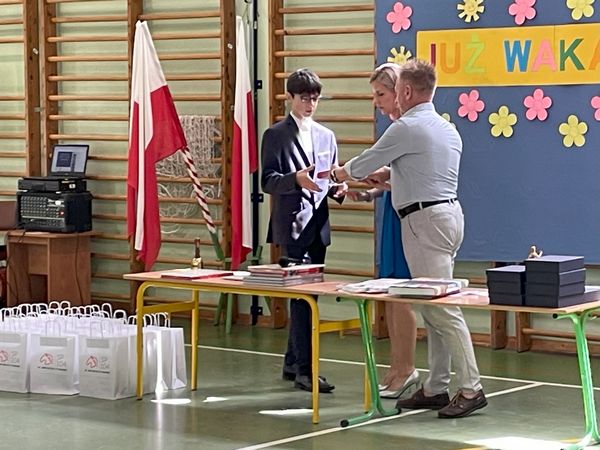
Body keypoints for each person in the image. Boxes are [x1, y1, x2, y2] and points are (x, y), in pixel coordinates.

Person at [324, 59, 487, 418]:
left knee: (442, 310)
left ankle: (471, 387)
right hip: (447, 216)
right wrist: (390, 175)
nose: (394, 99)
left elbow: (364, 162)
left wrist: (336, 173)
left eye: (395, 92)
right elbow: (421, 172)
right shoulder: (447, 129)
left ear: (408, 91)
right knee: (434, 305)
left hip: (423, 222)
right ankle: (436, 386)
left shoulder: (407, 127)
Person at [261, 68, 347, 393]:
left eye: (315, 99)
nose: (310, 105)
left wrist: (338, 189)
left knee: (309, 296)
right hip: (292, 225)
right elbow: (267, 180)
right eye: (304, 98)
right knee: (303, 298)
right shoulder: (275, 135)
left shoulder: (327, 135)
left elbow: (330, 178)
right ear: (290, 98)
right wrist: (295, 179)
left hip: (318, 225)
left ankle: (292, 362)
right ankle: (306, 370)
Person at [347, 63, 418, 399]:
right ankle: (396, 366)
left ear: (399, 92)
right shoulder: (394, 126)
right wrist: (370, 192)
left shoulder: (408, 127)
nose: (376, 101)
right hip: (393, 211)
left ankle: (407, 368)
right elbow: (396, 176)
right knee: (390, 293)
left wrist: (345, 173)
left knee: (402, 294)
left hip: (409, 216)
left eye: (381, 94)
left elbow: (411, 178)